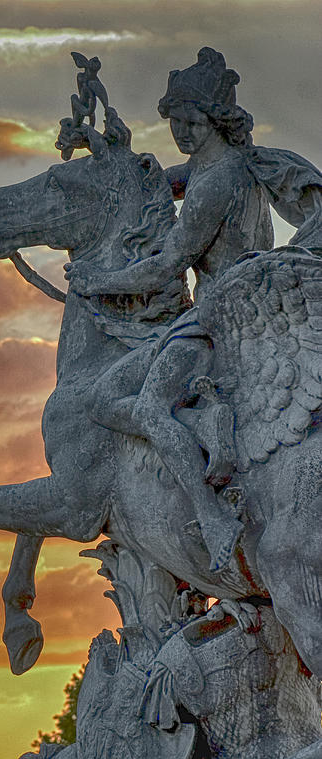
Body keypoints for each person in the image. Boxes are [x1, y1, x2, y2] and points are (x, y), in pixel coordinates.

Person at [65, 47, 322, 571]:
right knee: (110, 398)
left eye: (188, 120)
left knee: (131, 403)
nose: (179, 130)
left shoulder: (217, 181)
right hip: (222, 318)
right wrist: (106, 150)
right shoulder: (223, 167)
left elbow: (168, 263)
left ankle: (211, 510)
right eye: (174, 120)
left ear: (212, 120)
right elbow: (161, 180)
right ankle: (202, 425)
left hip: (211, 324)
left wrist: (99, 281)